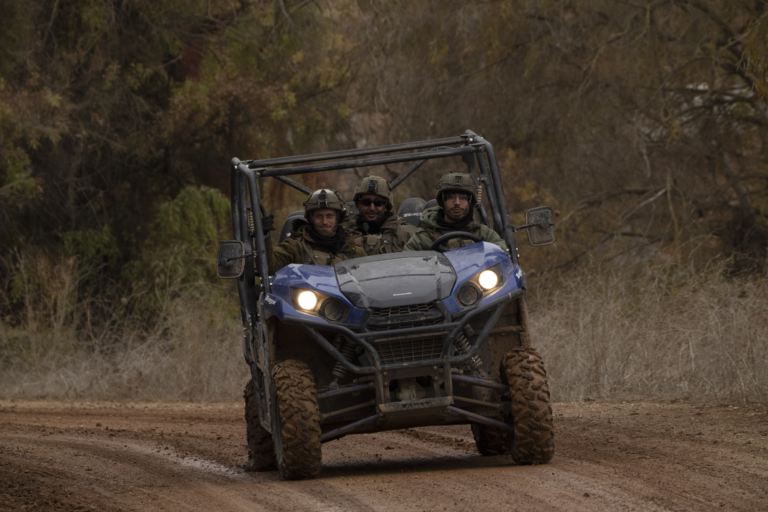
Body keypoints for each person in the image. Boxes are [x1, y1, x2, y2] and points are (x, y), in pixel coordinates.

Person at [259, 189, 366, 274]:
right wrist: (263, 237)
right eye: (319, 216)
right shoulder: (295, 247)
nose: (324, 222)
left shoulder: (355, 251)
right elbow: (268, 268)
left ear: (338, 218)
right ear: (311, 218)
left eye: (329, 216)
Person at [403, 171, 508, 252]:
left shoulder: (484, 234)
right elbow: (407, 264)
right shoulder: (423, 238)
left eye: (463, 197)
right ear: (443, 200)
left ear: (470, 201)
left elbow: (502, 256)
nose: (457, 202)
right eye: (451, 196)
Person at [342, 175, 416, 255]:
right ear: (358, 204)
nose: (372, 208)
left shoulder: (405, 233)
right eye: (366, 202)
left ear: (386, 206)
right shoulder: (345, 235)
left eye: (378, 202)